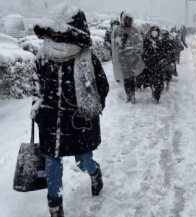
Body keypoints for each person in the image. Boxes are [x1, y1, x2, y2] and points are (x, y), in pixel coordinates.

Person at [32, 4, 109, 217]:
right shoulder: (42, 57)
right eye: (53, 31)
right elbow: (36, 87)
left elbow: (102, 88)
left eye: (61, 31)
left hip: (79, 122)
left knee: (83, 161)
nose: (56, 36)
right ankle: (55, 207)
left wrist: (91, 107)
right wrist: (37, 108)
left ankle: (94, 172)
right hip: (51, 122)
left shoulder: (86, 58)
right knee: (52, 165)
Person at [112, 11, 145, 103]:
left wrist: (134, 50)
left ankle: (133, 95)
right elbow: (118, 44)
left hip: (133, 57)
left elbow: (139, 43)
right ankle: (128, 95)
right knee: (126, 77)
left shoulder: (135, 30)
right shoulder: (118, 30)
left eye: (129, 19)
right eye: (125, 19)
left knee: (132, 77)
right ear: (122, 20)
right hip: (123, 58)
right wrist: (126, 35)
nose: (127, 21)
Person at [143, 25, 163, 103]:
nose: (154, 33)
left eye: (156, 31)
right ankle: (154, 91)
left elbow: (163, 52)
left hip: (159, 64)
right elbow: (144, 52)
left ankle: (157, 95)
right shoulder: (147, 41)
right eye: (153, 31)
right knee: (152, 80)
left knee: (158, 81)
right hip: (150, 64)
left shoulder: (160, 41)